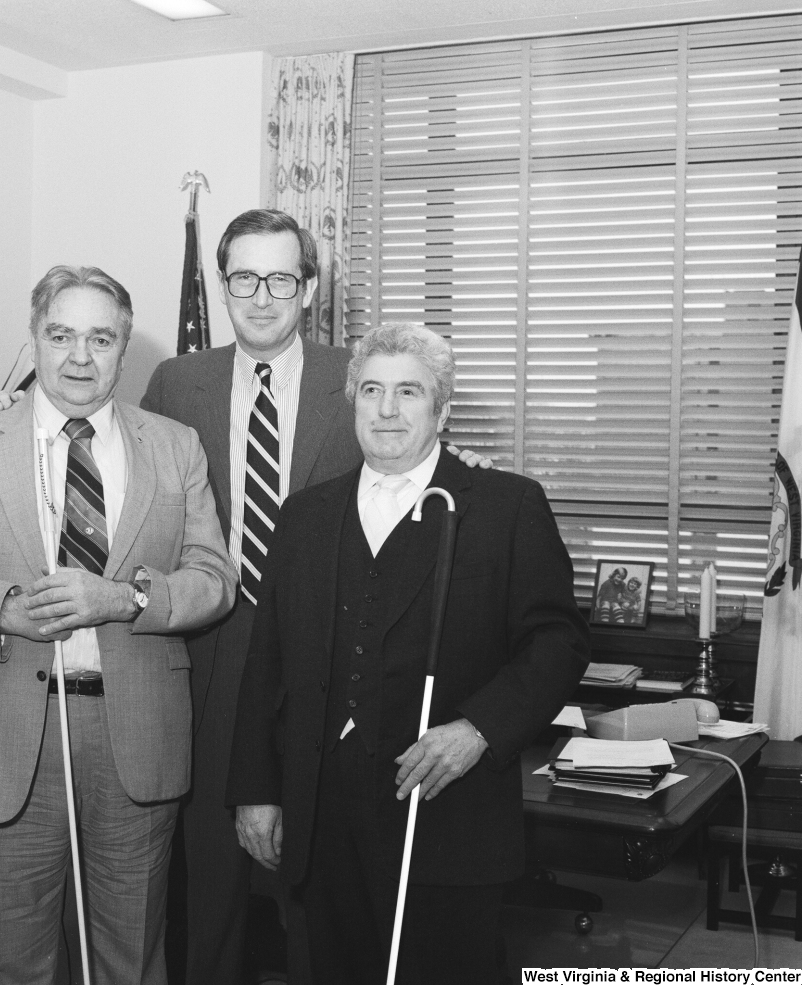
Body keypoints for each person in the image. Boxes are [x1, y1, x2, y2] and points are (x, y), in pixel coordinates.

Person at [0, 210, 489, 984]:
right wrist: (4, 416)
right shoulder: (177, 380)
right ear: (222, 287)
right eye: (243, 278)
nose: (261, 296)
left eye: (280, 277)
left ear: (309, 288)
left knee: (323, 887)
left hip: (328, 661)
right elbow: (101, 438)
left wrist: (465, 467)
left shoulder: (352, 377)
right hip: (207, 659)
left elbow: (408, 453)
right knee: (205, 880)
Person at [0, 265, 238, 985]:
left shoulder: (174, 446)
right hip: (5, 735)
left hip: (134, 737)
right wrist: (3, 610)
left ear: (123, 349)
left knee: (131, 962)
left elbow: (214, 580)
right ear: (36, 338)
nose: (81, 356)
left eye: (101, 338)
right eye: (62, 335)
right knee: (13, 964)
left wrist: (128, 602)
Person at [226, 323, 590, 985]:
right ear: (353, 403)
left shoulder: (506, 507)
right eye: (372, 390)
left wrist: (478, 729)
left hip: (446, 812)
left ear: (441, 409)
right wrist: (256, 790)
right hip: (322, 817)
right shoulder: (303, 516)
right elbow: (266, 662)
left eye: (408, 391)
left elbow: (558, 643)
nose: (388, 409)